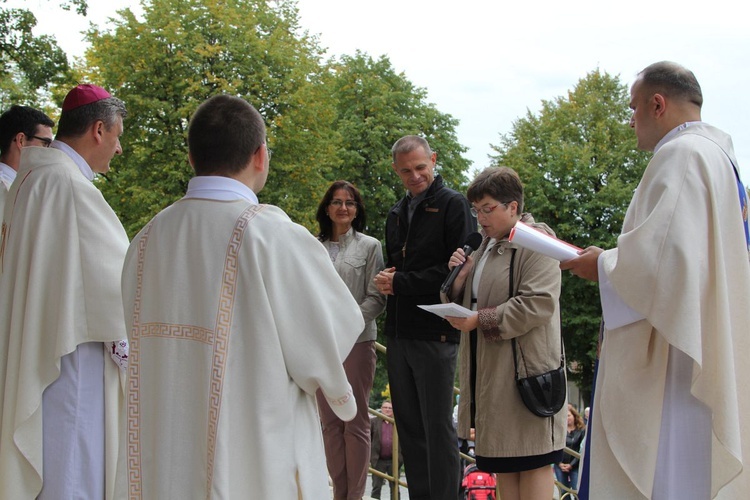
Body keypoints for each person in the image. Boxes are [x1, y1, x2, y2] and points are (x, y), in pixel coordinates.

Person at [115, 95, 365, 498]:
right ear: (260, 156)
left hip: (162, 458)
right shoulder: (274, 236)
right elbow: (327, 341)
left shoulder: (145, 240)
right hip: (255, 457)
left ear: (192, 159)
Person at [562, 61, 750, 498]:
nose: (631, 121)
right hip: (700, 336)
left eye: (633, 109)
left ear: (658, 104)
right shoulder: (721, 159)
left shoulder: (682, 155)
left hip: (677, 356)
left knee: (666, 473)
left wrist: (602, 265)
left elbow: (665, 262)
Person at [0, 84, 129, 499]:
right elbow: (118, 285)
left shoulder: (29, 180)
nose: (119, 148)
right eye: (117, 135)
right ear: (97, 130)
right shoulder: (69, 187)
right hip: (72, 359)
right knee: (74, 464)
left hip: (40, 346)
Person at [442, 166, 565, 500]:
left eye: (488, 209)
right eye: (476, 210)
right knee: (506, 464)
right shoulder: (483, 246)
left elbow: (538, 304)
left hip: (526, 375)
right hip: (491, 375)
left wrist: (479, 320)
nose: (480, 217)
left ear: (513, 207)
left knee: (534, 462)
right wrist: (461, 276)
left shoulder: (538, 242)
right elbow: (465, 300)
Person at [374, 134, 474, 500]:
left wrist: (399, 282)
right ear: (396, 171)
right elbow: (400, 268)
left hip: (437, 333)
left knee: (437, 430)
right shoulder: (396, 212)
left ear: (433, 159)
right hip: (399, 333)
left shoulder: (454, 205)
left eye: (420, 167)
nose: (414, 176)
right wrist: (389, 278)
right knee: (410, 430)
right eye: (405, 171)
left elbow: (456, 276)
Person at [314, 180, 386, 500]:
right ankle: (338, 493)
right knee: (329, 423)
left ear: (357, 210)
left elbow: (377, 298)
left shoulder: (370, 246)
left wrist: (346, 325)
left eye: (350, 202)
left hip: (356, 343)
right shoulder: (311, 247)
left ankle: (354, 496)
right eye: (337, 201)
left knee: (354, 422)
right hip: (319, 345)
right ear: (327, 207)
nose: (343, 207)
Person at [0, 105, 54, 220]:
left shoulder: (17, 186)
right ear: (21, 140)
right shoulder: (5, 189)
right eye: (45, 143)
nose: (49, 152)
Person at [370, 401, 403, 500]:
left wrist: (401, 458)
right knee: (376, 487)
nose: (387, 410)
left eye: (390, 408)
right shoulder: (374, 422)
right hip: (378, 460)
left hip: (394, 461)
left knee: (395, 487)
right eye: (385, 407)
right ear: (381, 408)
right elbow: (368, 439)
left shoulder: (398, 423)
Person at [553, 405, 585, 492]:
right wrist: (559, 463)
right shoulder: (558, 430)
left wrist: (571, 465)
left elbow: (582, 450)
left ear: (574, 416)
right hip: (560, 464)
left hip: (575, 465)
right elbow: (554, 447)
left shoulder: (581, 430)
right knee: (563, 490)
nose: (567, 418)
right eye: (564, 416)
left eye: (568, 415)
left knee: (577, 489)